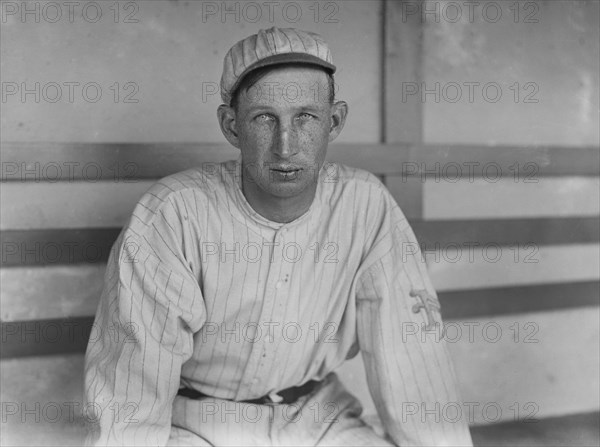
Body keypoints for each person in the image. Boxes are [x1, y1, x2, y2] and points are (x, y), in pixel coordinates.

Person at [84, 27, 473, 446]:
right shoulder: (173, 213)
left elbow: (413, 359)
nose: (285, 146)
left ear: (335, 121)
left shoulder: (366, 206)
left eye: (306, 117)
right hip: (199, 423)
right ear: (231, 126)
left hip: (320, 420)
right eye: (264, 118)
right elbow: (132, 390)